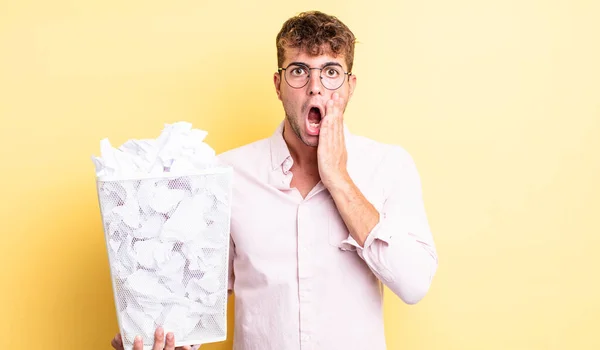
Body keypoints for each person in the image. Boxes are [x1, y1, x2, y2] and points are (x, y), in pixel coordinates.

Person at [111, 10, 438, 350]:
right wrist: (158, 335)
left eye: (331, 72)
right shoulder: (225, 175)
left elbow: (413, 282)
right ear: (278, 85)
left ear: (350, 86)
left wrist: (338, 178)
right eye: (299, 71)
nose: (315, 89)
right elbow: (194, 303)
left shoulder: (388, 166)